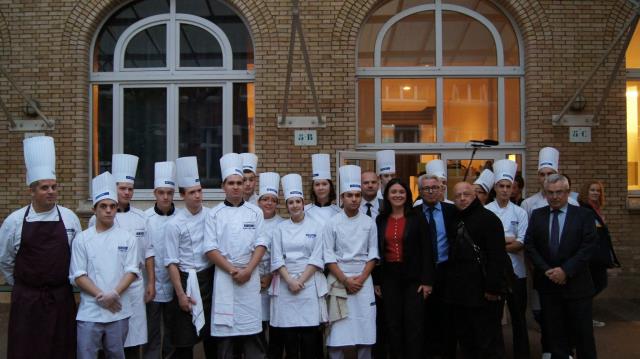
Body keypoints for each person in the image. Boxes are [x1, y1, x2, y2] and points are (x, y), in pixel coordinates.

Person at [0, 136, 81, 359]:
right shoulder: (14, 221)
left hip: (60, 298)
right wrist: (24, 287)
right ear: (32, 191)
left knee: (61, 350)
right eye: (44, 188)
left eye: (54, 187)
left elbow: (78, 256)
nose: (51, 191)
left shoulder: (70, 218)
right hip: (26, 300)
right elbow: (5, 260)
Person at [525, 174, 598, 359]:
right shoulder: (538, 215)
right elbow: (530, 245)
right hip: (549, 286)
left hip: (577, 286)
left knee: (583, 336)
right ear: (545, 193)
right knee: (555, 335)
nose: (555, 197)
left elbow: (588, 247)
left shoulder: (584, 215)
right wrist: (546, 270)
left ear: (567, 192)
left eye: (559, 192)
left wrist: (566, 270)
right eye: (550, 192)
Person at [70, 171, 139, 359]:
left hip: (118, 309)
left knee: (116, 354)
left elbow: (132, 271)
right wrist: (101, 296)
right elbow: (78, 274)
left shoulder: (128, 238)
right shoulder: (82, 239)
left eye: (112, 206)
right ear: (95, 209)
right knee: (86, 355)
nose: (108, 210)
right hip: (90, 311)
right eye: (103, 206)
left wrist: (113, 294)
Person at [89, 154, 152, 357]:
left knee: (133, 343)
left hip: (134, 288)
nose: (126, 192)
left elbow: (149, 253)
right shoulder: (96, 220)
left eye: (130, 188)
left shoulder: (142, 218)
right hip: (107, 288)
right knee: (107, 342)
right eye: (122, 188)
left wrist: (151, 283)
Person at [205, 152, 267, 359]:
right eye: (231, 183)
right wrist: (233, 270)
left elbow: (261, 243)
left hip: (250, 278)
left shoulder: (255, 212)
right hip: (225, 278)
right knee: (226, 338)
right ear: (223, 186)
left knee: (252, 335)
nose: (236, 186)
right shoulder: (213, 214)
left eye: (239, 182)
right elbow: (210, 249)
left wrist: (248, 270)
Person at [446, 181, 509, 358]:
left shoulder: (489, 219)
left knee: (487, 340)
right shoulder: (454, 218)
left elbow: (498, 256)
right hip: (460, 293)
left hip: (483, 291)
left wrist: (492, 288)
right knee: (467, 340)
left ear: (475, 195)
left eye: (466, 194)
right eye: (457, 196)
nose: (462, 198)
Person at [373, 178, 435, 358]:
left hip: (413, 279)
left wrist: (428, 281)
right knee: (393, 324)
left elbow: (427, 250)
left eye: (401, 192)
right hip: (389, 278)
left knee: (413, 324)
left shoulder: (417, 217)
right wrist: (377, 281)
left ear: (407, 195)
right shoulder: (380, 219)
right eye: (393, 192)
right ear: (387, 196)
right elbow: (377, 251)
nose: (397, 195)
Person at [324, 165, 379, 359]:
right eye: (349, 195)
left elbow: (373, 253)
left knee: (365, 329)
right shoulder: (332, 223)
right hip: (339, 280)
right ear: (342, 198)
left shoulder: (369, 222)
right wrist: (346, 280)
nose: (354, 199)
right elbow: (328, 256)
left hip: (363, 281)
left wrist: (362, 278)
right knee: (338, 331)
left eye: (357, 195)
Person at [269, 173, 327, 358]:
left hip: (308, 284)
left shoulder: (316, 227)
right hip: (286, 286)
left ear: (303, 203)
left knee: (310, 339)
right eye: (291, 202)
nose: (294, 205)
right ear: (286, 206)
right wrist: (290, 281)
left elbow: (316, 258)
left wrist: (300, 280)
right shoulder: (280, 228)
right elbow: (277, 258)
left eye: (298, 201)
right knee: (290, 340)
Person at [165, 156, 216, 358]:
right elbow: (171, 262)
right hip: (186, 280)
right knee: (184, 340)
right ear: (183, 195)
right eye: (192, 192)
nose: (197, 196)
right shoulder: (174, 224)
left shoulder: (212, 215)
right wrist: (180, 295)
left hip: (210, 278)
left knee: (212, 337)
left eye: (199, 191)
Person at [485, 160, 530, 359]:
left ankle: (522, 354)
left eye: (508, 186)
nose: (505, 190)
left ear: (513, 188)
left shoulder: (520, 212)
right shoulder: (486, 211)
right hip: (494, 274)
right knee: (493, 319)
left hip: (516, 272)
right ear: (495, 187)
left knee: (519, 317)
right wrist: (507, 240)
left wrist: (498, 244)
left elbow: (521, 242)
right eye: (501, 186)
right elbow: (485, 244)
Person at [416, 173, 457, 358]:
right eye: (426, 188)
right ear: (420, 191)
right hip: (422, 274)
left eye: (434, 187)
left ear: (441, 189)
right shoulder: (413, 214)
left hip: (447, 271)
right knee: (425, 318)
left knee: (448, 318)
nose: (431, 191)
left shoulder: (452, 211)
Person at [143, 161, 178, 359]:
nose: (165, 197)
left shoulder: (180, 218)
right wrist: (150, 282)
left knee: (173, 331)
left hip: (174, 285)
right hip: (152, 283)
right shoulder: (145, 218)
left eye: (169, 193)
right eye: (161, 192)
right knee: (152, 332)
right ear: (155, 193)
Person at [578, 180, 620, 327]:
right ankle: (583, 317)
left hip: (599, 256)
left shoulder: (596, 209)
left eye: (598, 190)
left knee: (598, 284)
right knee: (597, 284)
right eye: (592, 190)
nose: (596, 193)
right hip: (591, 257)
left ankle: (585, 316)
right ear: (586, 192)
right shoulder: (585, 210)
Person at [255, 172, 285, 357]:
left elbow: (284, 256)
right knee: (256, 328)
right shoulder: (251, 220)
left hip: (275, 281)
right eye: (264, 199)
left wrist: (270, 276)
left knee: (276, 327)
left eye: (272, 200)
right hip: (253, 281)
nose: (268, 203)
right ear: (258, 201)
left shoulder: (282, 224)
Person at [305, 153, 341, 225]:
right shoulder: (305, 211)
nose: (320, 188)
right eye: (317, 184)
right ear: (313, 188)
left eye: (324, 184)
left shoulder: (339, 212)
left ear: (330, 187)